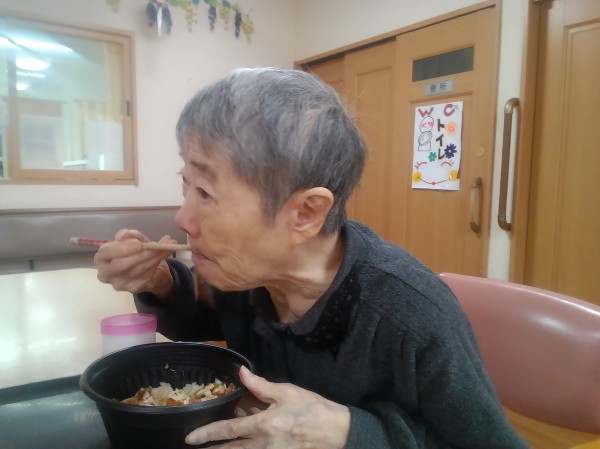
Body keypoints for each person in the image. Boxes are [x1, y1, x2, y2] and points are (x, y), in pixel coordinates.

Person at [94, 67, 530, 449]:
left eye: (206, 192)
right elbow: (204, 322)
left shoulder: (412, 316)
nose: (183, 218)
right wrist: (159, 282)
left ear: (305, 213)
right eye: (186, 184)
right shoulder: (250, 275)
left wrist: (350, 433)